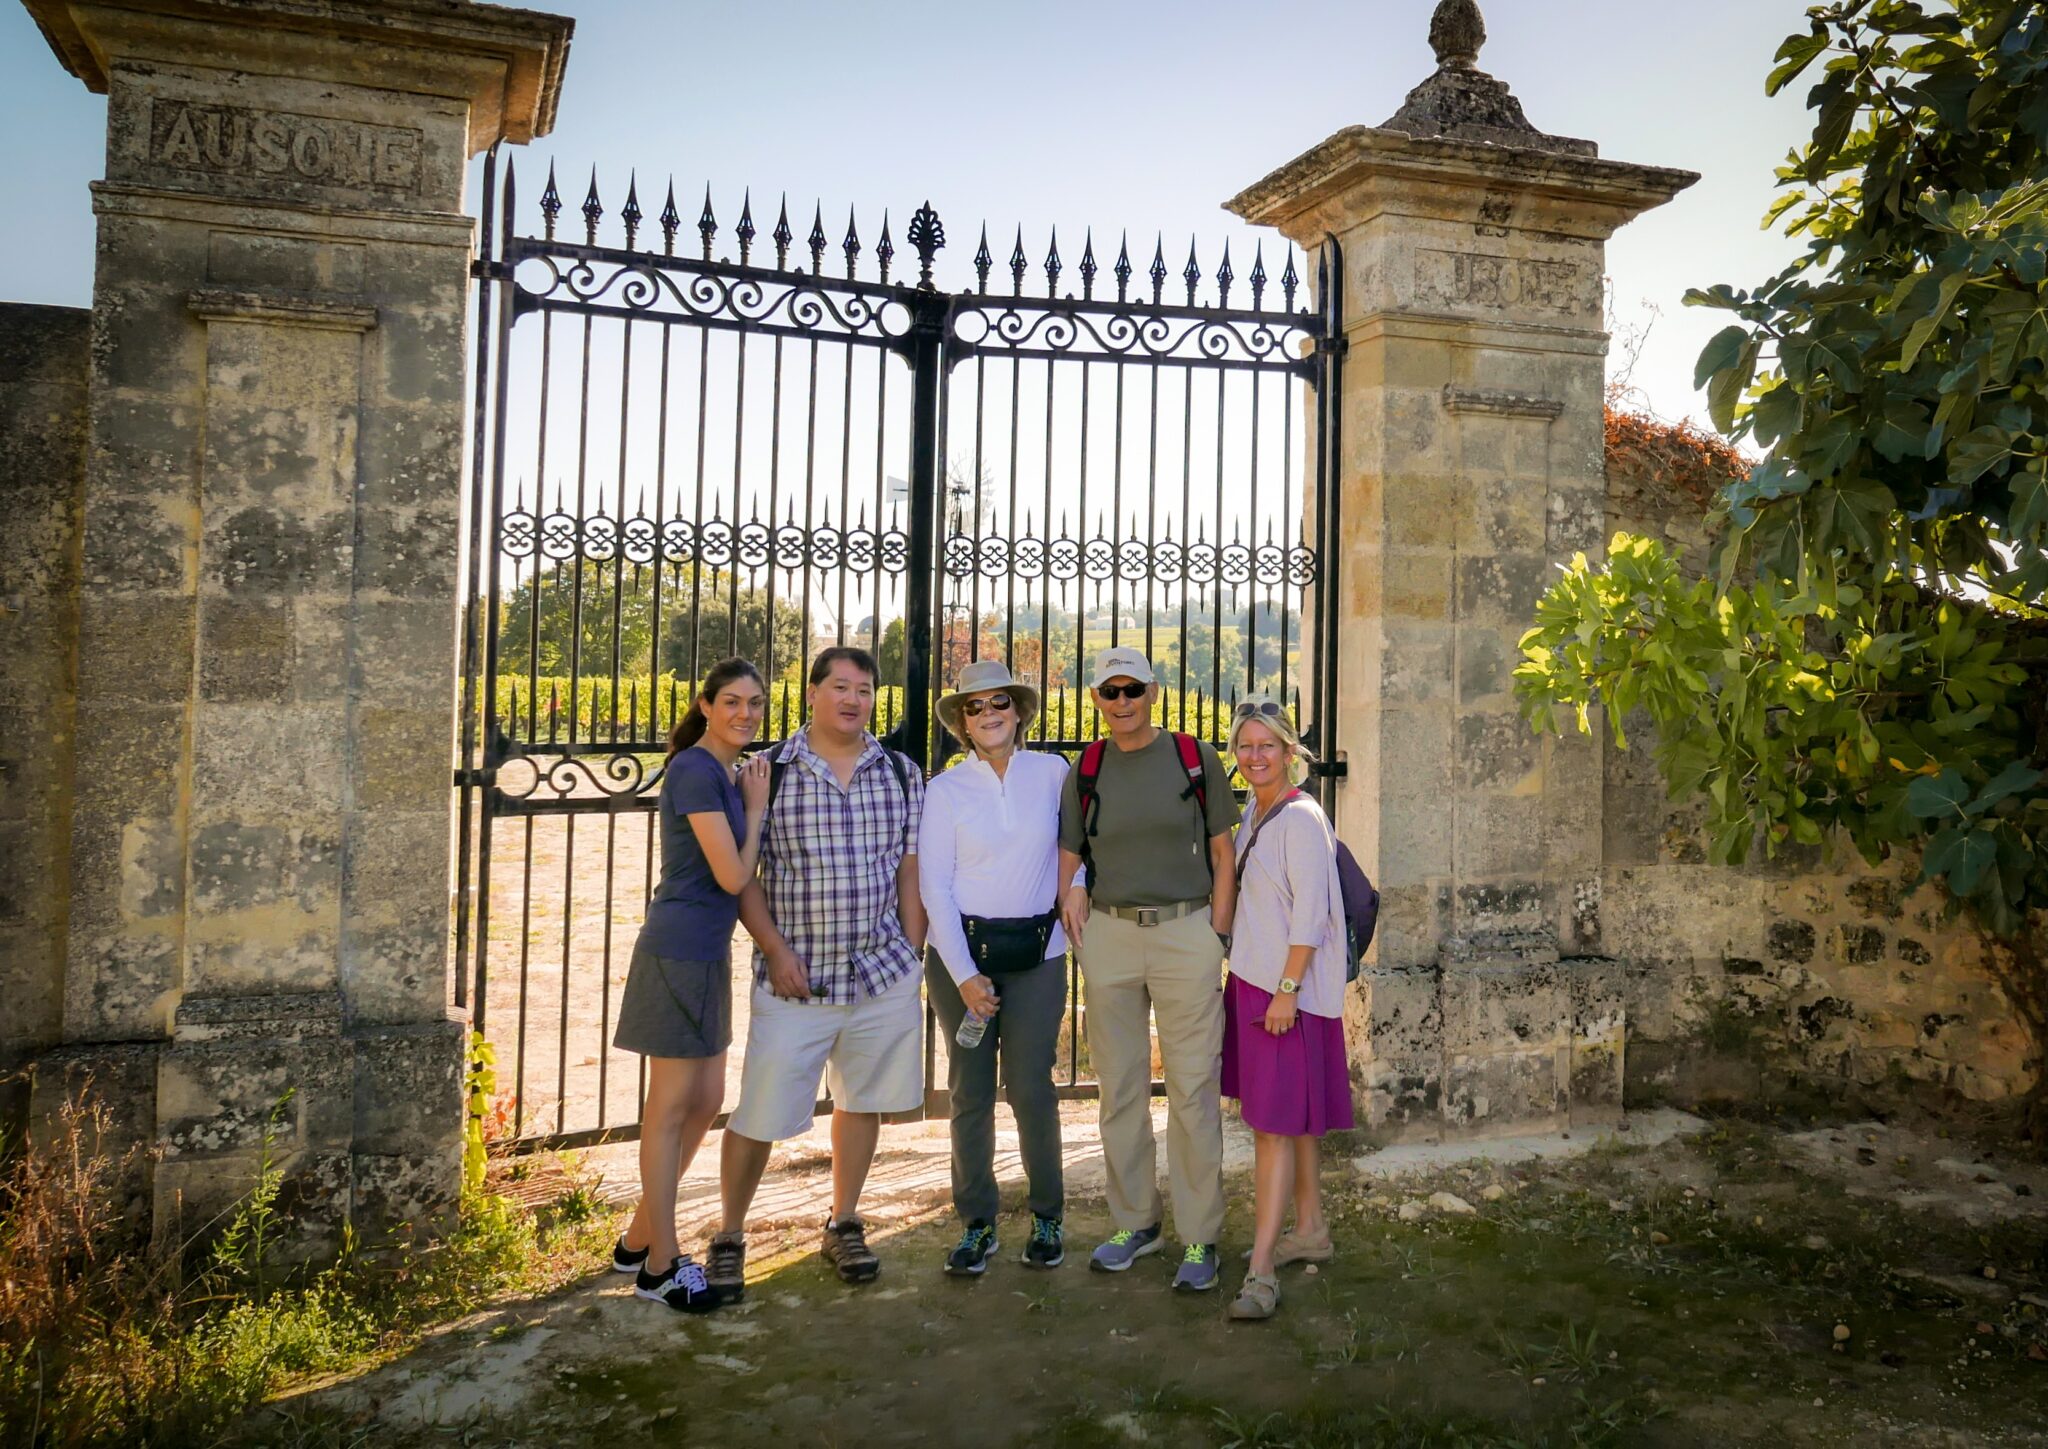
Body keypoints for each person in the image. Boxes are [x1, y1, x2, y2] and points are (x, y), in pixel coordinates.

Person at [709, 646, 928, 1296]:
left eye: (864, 689)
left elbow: (909, 868)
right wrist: (775, 950)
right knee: (760, 1112)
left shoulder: (900, 772)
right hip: (793, 980)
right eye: (840, 686)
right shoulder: (766, 772)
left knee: (861, 1103)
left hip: (880, 974)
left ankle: (844, 1220)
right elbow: (745, 876)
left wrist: (911, 952)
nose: (853, 699)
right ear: (811, 692)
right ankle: (728, 1234)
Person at [1057, 647, 1240, 1292]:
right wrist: (1071, 895)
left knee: (1192, 1089)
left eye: (1132, 689)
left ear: (1153, 692)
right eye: (1110, 691)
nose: (1122, 701)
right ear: (1097, 700)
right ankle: (1136, 1223)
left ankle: (1199, 1235)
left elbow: (1224, 853)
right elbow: (1070, 852)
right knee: (1120, 1088)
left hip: (1186, 932)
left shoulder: (1193, 757)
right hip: (1110, 936)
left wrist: (1217, 933)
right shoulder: (1087, 767)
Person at [611, 658, 772, 1313]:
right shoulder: (695, 770)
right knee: (671, 1107)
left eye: (755, 703)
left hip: (707, 954)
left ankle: (636, 1238)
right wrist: (757, 808)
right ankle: (660, 1266)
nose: (745, 713)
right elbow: (733, 876)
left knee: (705, 1100)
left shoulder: (725, 772)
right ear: (706, 706)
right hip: (676, 952)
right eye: (731, 701)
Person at [920, 660, 1069, 1276]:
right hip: (963, 960)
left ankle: (1048, 1216)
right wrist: (964, 976)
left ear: (1019, 709)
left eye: (999, 702)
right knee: (971, 1093)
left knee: (1031, 1089)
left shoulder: (1053, 773)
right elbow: (935, 886)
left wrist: (1077, 894)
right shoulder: (945, 790)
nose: (988, 714)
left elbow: (1075, 853)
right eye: (974, 706)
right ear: (962, 721)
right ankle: (977, 1223)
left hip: (1039, 955)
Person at [1220, 695, 1353, 1322]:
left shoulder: (1300, 819)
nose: (1255, 756)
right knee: (1290, 1120)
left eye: (1266, 746)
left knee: (1271, 1127)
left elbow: (1312, 915)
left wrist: (1287, 991)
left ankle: (1262, 1269)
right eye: (1245, 746)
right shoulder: (1255, 809)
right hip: (1258, 982)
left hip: (1283, 991)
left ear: (1289, 751)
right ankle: (1311, 1229)